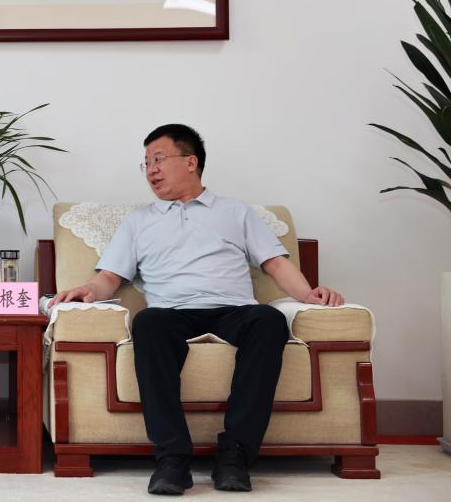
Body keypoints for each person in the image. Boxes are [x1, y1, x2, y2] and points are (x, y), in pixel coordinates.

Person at [51, 124, 343, 495]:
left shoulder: (236, 211)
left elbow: (274, 263)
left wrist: (308, 293)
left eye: (159, 159)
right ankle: (172, 459)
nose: (151, 170)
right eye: (146, 163)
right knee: (148, 322)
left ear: (191, 162)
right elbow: (110, 276)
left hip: (234, 309)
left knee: (269, 320)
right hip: (171, 313)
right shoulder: (140, 220)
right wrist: (88, 290)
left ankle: (235, 455)